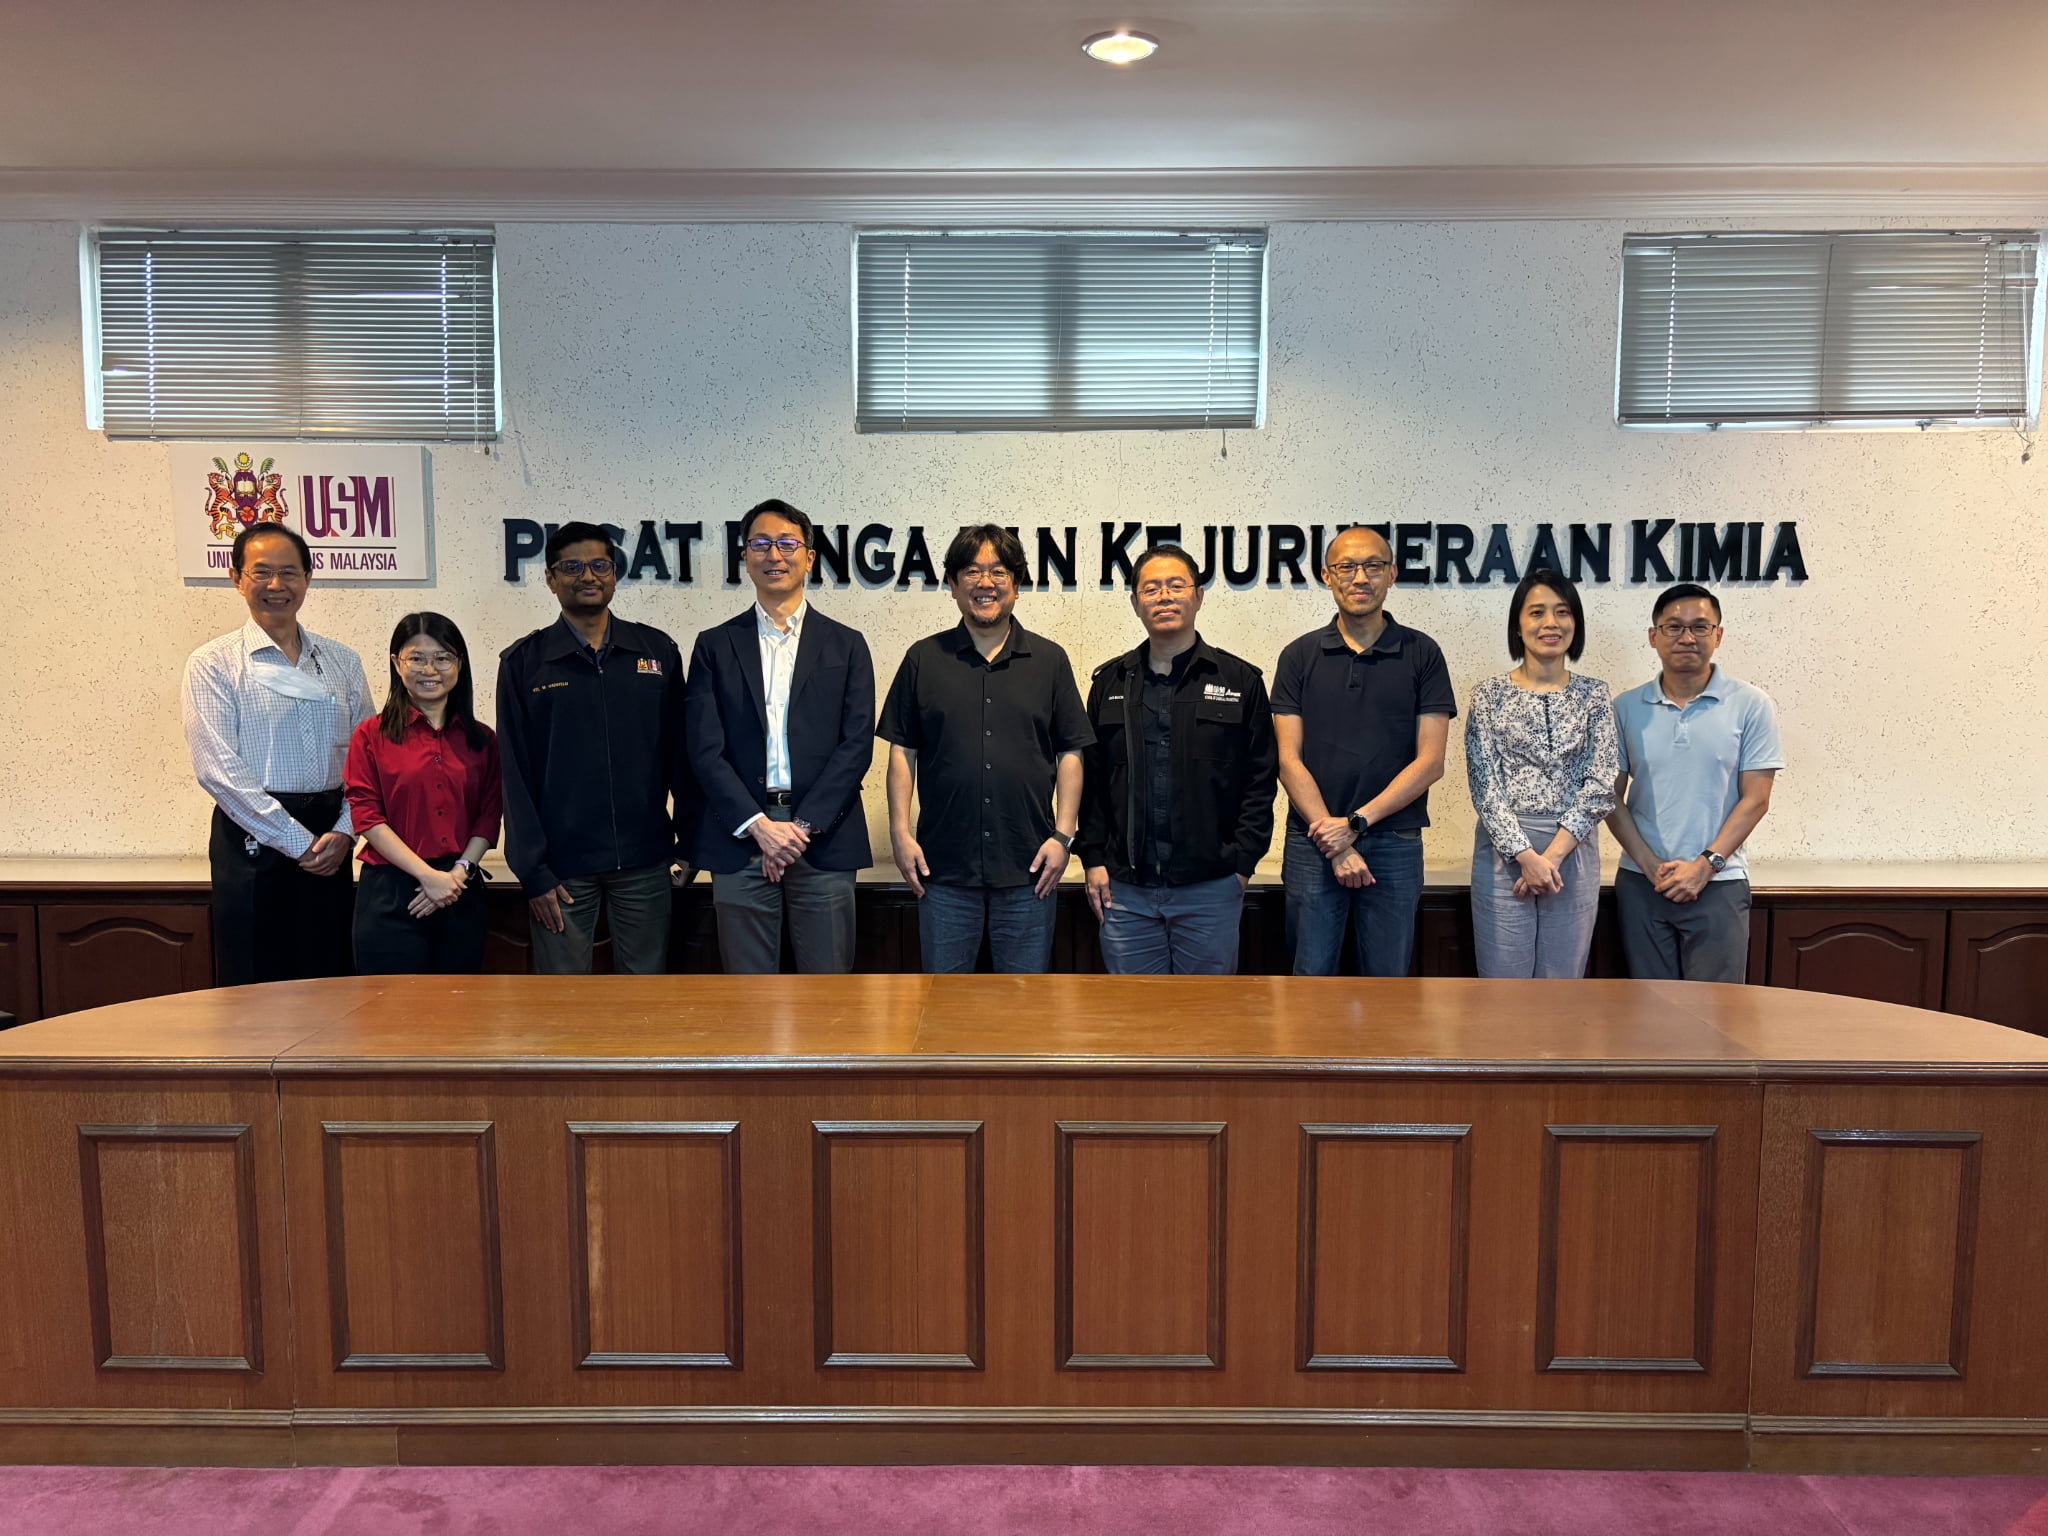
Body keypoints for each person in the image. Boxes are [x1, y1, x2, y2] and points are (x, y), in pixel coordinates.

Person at [879, 525, 1091, 973]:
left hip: (1030, 870)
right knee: (943, 1001)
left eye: (998, 571)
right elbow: (902, 752)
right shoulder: (923, 658)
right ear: (953, 584)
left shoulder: (1050, 660)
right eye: (972, 571)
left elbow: (1071, 752)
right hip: (943, 872)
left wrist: (1063, 836)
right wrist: (899, 833)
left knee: (1024, 1003)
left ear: (1017, 584)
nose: (985, 582)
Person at [497, 520, 694, 975]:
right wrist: (532, 870)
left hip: (646, 862)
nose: (588, 576)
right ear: (551, 578)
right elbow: (515, 774)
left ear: (615, 573)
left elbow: (682, 758)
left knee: (645, 995)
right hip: (560, 870)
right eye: (572, 567)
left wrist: (690, 843)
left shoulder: (656, 651)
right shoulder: (524, 663)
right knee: (563, 1000)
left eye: (599, 565)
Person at [685, 499, 874, 974]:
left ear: (809, 558)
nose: (775, 555)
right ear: (744, 557)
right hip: (739, 835)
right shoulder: (714, 645)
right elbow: (704, 749)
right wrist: (760, 827)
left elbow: (856, 746)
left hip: (824, 837)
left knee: (828, 988)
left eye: (788, 543)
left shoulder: (847, 644)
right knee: (748, 991)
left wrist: (798, 830)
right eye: (761, 544)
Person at [182, 522, 373, 986]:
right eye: (261, 572)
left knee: (329, 980)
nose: (276, 585)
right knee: (255, 984)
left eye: (289, 573)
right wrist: (297, 841)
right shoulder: (213, 663)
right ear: (236, 578)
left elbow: (369, 759)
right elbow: (218, 769)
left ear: (308, 578)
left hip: (330, 837)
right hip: (254, 836)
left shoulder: (342, 661)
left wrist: (345, 831)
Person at [1077, 544, 1276, 975]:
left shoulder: (1240, 681)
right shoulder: (1110, 683)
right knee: (1133, 1012)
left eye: (1176, 585)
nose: (1164, 596)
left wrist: (1242, 866)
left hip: (1211, 888)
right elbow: (1092, 783)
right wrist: (1092, 858)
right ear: (1135, 603)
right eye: (1151, 589)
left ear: (1199, 595)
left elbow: (1260, 781)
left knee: (1206, 1013)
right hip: (1125, 892)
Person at [1273, 526, 1456, 978]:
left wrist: (1356, 824)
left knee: (1388, 983)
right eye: (1346, 567)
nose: (1360, 578)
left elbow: (1430, 762)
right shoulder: (1298, 656)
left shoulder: (1423, 653)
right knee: (1310, 979)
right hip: (1313, 841)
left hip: (1394, 842)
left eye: (1373, 566)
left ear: (1392, 574)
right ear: (1326, 576)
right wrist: (1333, 840)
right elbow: (1288, 760)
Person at [1607, 583, 1783, 984]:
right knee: (1648, 1009)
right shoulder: (1625, 707)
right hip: (1642, 883)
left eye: (1700, 627)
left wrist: (1706, 865)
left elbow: (1756, 799)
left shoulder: (1751, 704)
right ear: (1653, 636)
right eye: (1673, 627)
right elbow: (1609, 797)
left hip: (1719, 882)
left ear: (1718, 635)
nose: (1687, 637)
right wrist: (1649, 865)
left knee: (1715, 1013)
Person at [1464, 569, 1619, 979]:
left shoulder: (1595, 694)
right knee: (1503, 985)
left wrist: (1551, 858)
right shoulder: (1488, 695)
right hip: (1504, 854)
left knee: (1561, 985)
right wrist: (1525, 856)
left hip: (1572, 850)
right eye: (1537, 612)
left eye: (1562, 612)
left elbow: (1602, 783)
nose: (1551, 623)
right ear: (1518, 625)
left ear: (1575, 623)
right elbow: (1484, 786)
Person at [343, 614, 502, 975]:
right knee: (390, 1006)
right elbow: (366, 816)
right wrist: (429, 878)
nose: (430, 669)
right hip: (391, 890)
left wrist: (457, 874)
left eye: (442, 657)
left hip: (460, 887)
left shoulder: (483, 740)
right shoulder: (370, 735)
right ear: (396, 663)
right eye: (416, 658)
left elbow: (490, 815)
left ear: (459, 663)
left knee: (460, 1005)